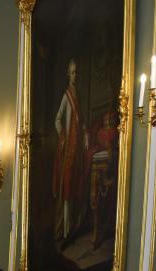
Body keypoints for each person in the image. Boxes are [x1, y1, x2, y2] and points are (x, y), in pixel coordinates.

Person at [54, 57, 89, 244]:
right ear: (68, 74)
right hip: (68, 151)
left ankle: (73, 228)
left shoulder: (78, 95)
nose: (76, 75)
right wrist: (62, 136)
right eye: (73, 72)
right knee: (67, 189)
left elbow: (80, 121)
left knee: (75, 188)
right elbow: (57, 119)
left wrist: (86, 133)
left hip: (78, 152)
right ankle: (66, 232)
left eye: (77, 72)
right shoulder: (67, 96)